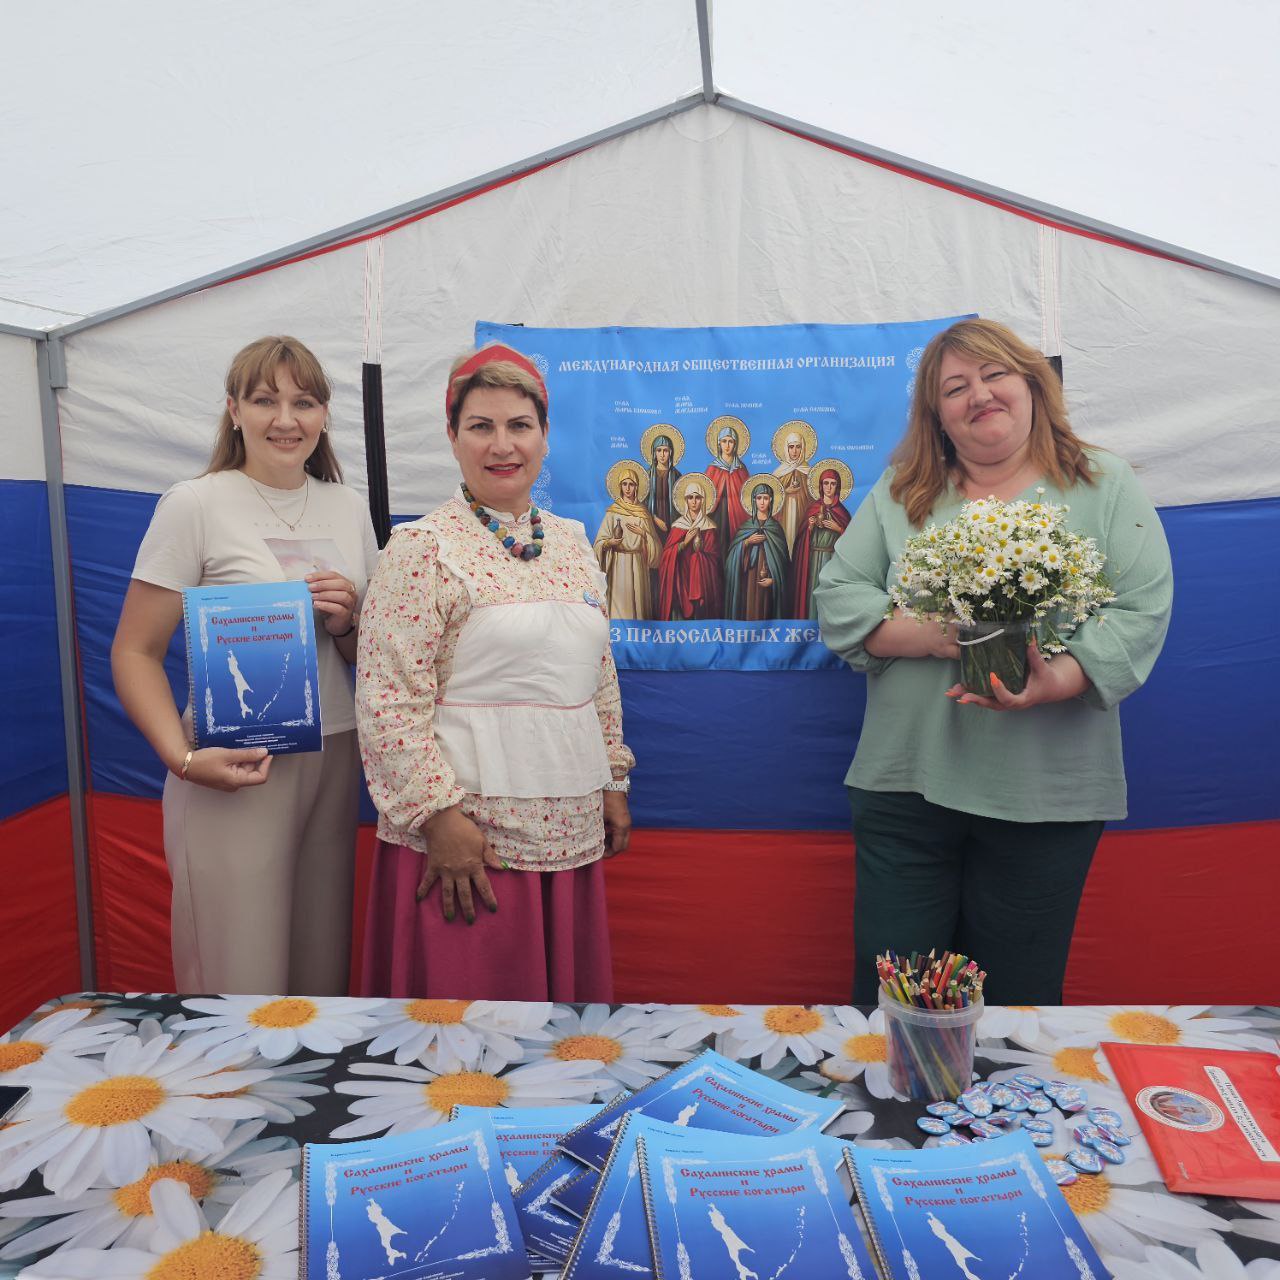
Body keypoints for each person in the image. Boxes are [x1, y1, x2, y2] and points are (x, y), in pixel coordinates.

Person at [814, 318, 1173, 1005]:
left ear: (1033, 384)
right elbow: (837, 597)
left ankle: (1001, 1086)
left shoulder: (1103, 484)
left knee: (1017, 1003)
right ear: (937, 415)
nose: (978, 395)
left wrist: (1056, 679)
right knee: (900, 998)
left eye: (994, 374)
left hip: (1044, 791)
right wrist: (934, 636)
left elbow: (1141, 610)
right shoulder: (904, 490)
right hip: (907, 784)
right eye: (955, 388)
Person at [355, 343, 634, 1001]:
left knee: (556, 1034)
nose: (502, 444)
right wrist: (437, 818)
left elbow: (595, 673)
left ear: (544, 436)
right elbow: (388, 698)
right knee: (470, 1028)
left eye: (519, 425)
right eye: (481, 425)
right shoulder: (421, 549)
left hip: (568, 827)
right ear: (452, 436)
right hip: (468, 846)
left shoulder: (571, 542)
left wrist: (612, 779)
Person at [111, 336, 378, 994]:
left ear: (324, 415)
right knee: (238, 977)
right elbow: (134, 651)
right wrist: (182, 758)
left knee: (320, 979)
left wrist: (346, 622)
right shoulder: (195, 504)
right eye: (265, 401)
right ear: (234, 410)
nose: (285, 420)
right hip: (233, 762)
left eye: (304, 402)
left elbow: (368, 654)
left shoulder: (348, 505)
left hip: (335, 753)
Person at [593, 465, 662, 619]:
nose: (628, 488)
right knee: (620, 609)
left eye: (631, 484)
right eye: (624, 484)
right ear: (620, 486)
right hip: (618, 564)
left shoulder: (643, 513)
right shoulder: (613, 512)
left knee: (638, 607)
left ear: (636, 487)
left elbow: (657, 548)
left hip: (638, 563)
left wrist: (643, 534)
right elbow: (599, 543)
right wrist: (609, 543)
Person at [657, 474, 723, 621]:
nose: (694, 501)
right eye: (690, 497)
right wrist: (684, 543)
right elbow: (666, 557)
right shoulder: (678, 526)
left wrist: (699, 557)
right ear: (685, 500)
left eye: (697, 497)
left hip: (702, 582)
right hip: (681, 580)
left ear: (703, 500)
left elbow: (716, 561)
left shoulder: (709, 527)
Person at [724, 481, 791, 620]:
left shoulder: (776, 528)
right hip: (749, 579)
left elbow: (784, 563)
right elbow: (731, 559)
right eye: (759, 498)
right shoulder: (746, 527)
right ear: (754, 500)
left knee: (766, 611)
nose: (762, 502)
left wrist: (774, 580)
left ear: (771, 500)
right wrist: (747, 542)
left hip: (768, 582)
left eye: (765, 498)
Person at [791, 467, 851, 618]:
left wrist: (839, 529)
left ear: (837, 486)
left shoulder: (842, 513)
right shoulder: (813, 509)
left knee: (829, 592)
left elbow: (852, 542)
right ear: (820, 485)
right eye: (826, 483)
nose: (829, 487)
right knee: (812, 590)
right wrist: (809, 527)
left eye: (833, 483)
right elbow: (801, 539)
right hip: (812, 559)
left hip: (832, 559)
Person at [705, 424, 749, 550]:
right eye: (724, 441)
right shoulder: (712, 468)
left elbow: (747, 495)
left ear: (735, 444)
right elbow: (706, 495)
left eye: (731, 441)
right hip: (716, 515)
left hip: (738, 516)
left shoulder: (741, 469)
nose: (727, 445)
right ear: (719, 443)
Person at [773, 429, 813, 553]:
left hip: (802, 517)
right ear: (786, 449)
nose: (794, 451)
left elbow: (814, 499)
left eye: (798, 447)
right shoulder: (778, 473)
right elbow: (771, 498)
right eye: (791, 447)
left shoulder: (809, 472)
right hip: (783, 517)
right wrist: (785, 491)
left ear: (803, 448)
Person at [645, 433, 682, 535]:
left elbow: (681, 503)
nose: (662, 454)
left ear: (670, 452)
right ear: (654, 453)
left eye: (665, 450)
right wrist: (654, 518)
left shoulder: (677, 475)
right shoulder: (647, 475)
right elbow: (643, 502)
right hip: (652, 522)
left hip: (672, 521)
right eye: (659, 450)